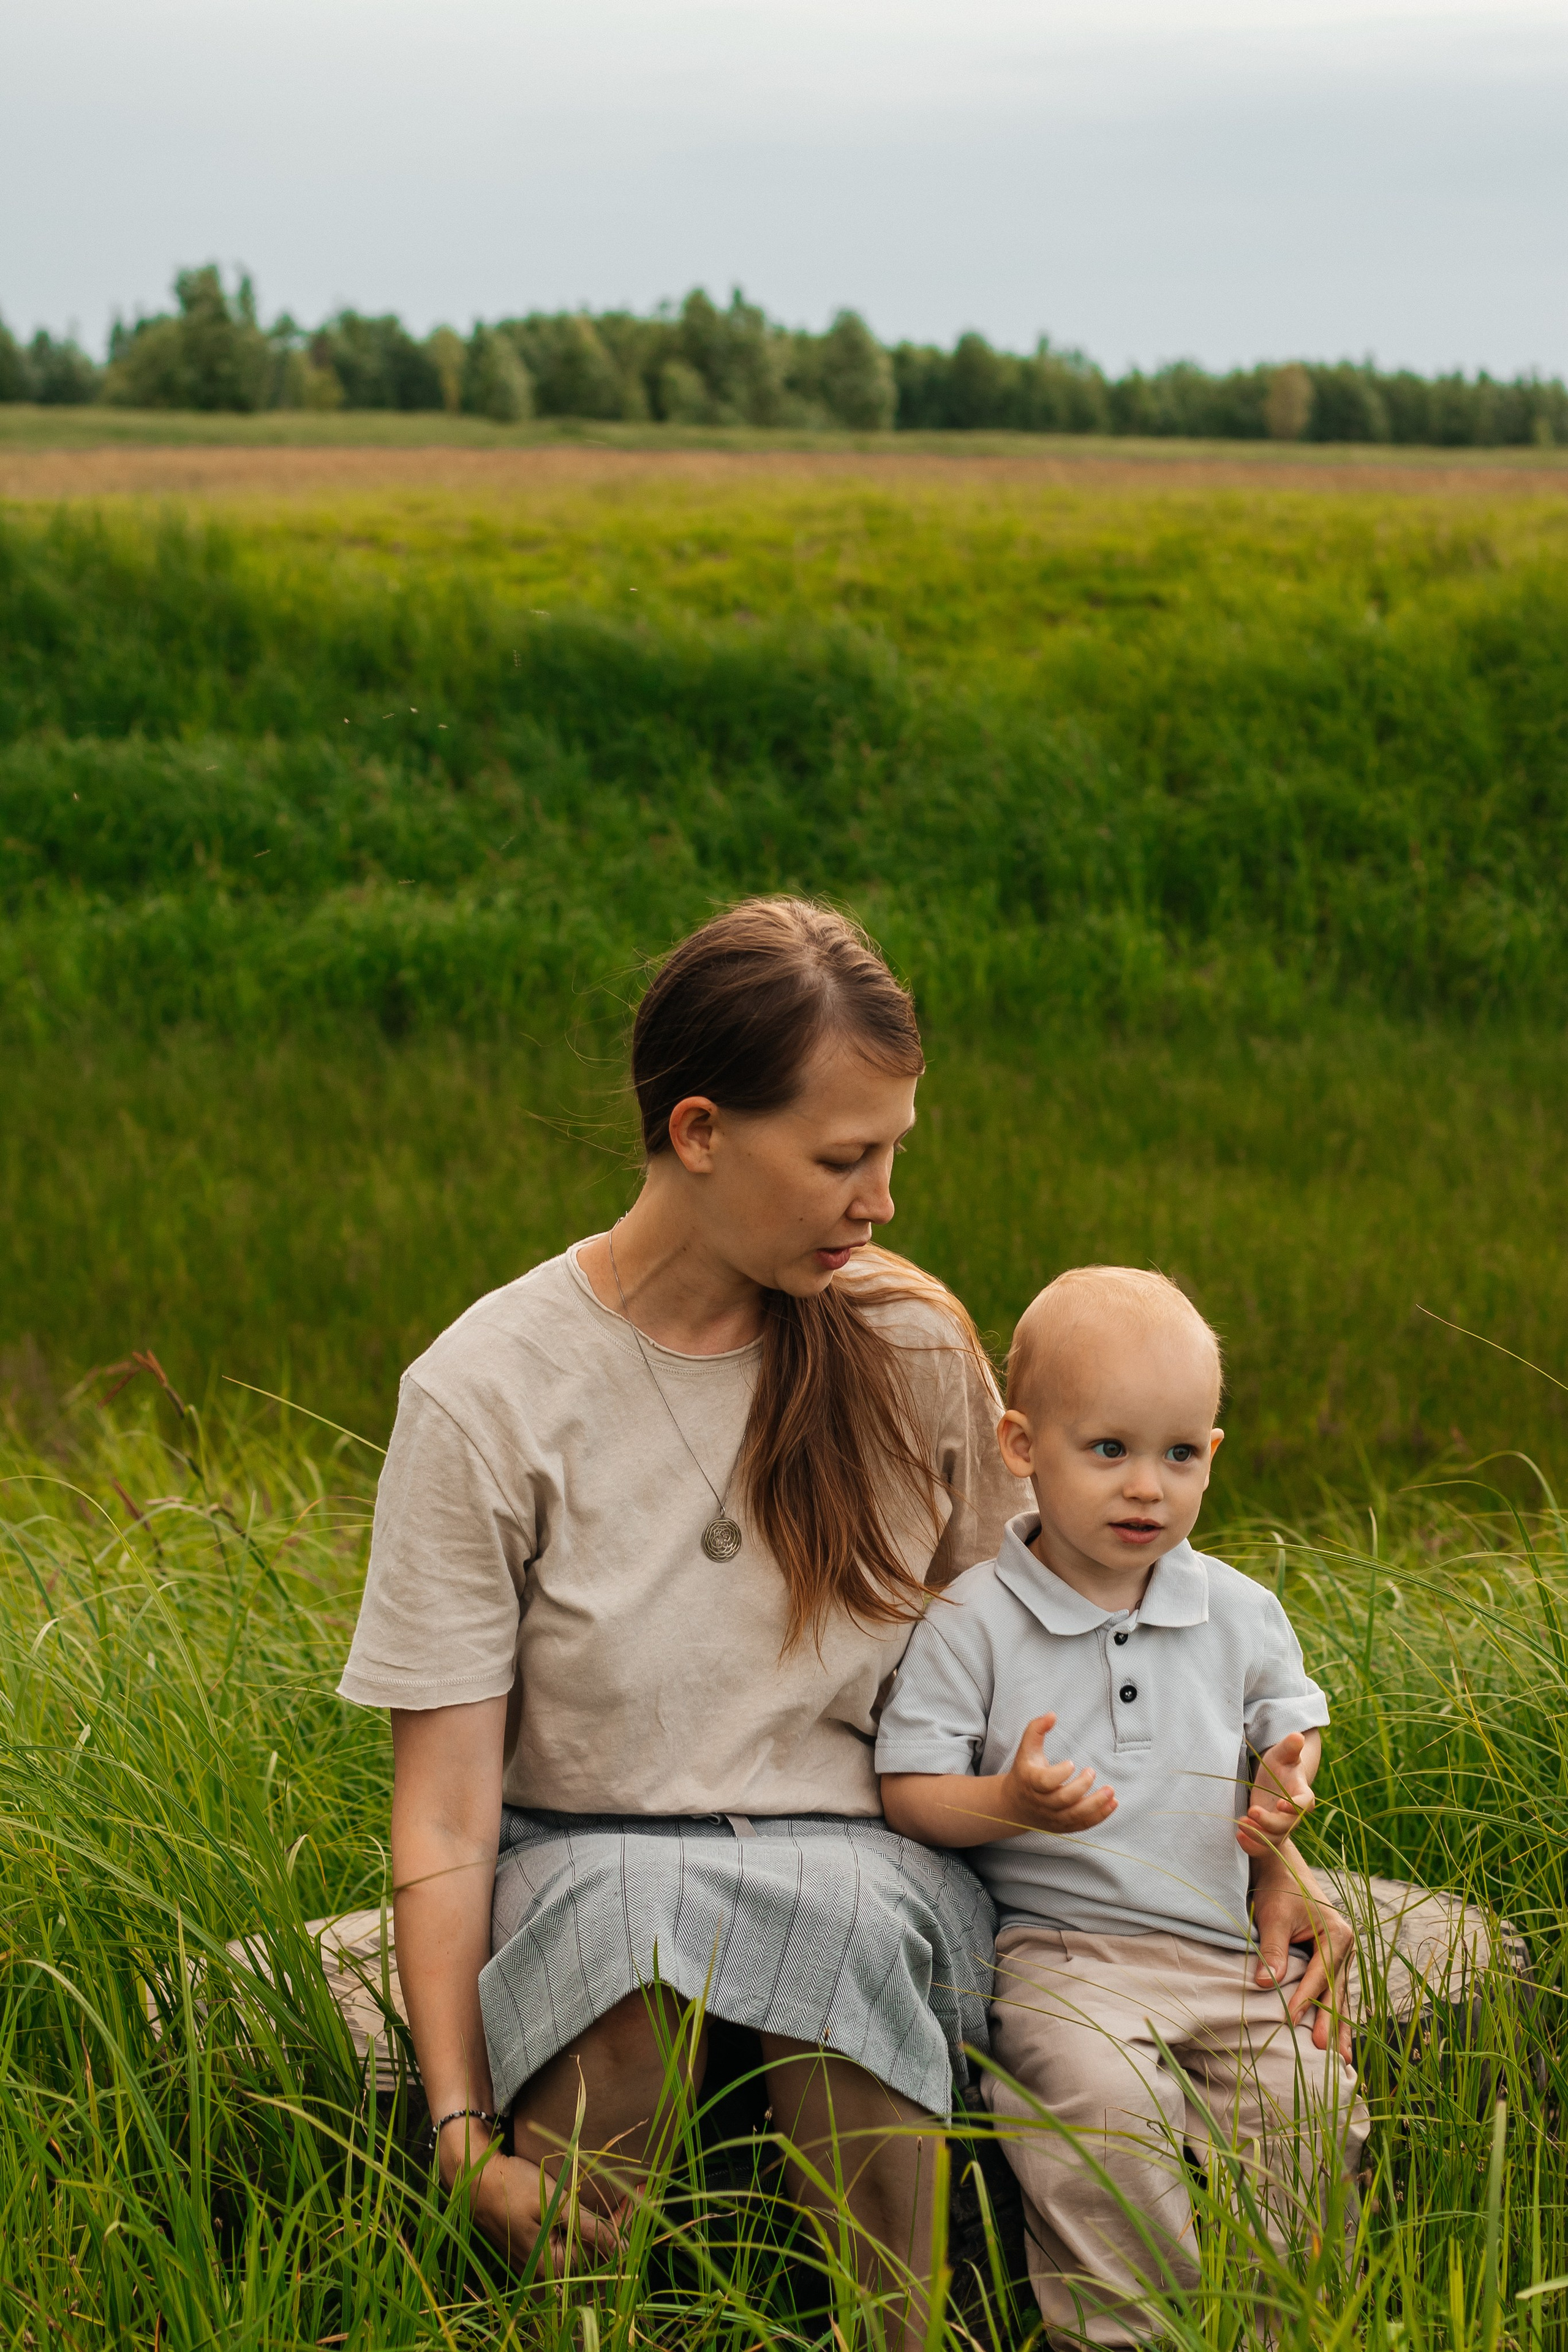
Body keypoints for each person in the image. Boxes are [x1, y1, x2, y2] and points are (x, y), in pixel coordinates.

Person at [337, 902, 1350, 2316]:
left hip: (874, 1857)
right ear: (697, 1132)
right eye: (839, 1159)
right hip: (591, 1855)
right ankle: (568, 2309)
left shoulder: (901, 1338)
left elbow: (1055, 1653)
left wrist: (1250, 1858)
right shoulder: (485, 1393)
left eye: (891, 1153)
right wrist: (458, 2136)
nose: (877, 1200)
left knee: (839, 1917)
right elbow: (445, 1814)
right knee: (640, 1927)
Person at [876, 1266, 1366, 2342]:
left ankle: (1282, 2326)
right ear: (1021, 1448)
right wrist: (1009, 1801)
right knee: (1098, 2110)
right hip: (1065, 1955)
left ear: (1212, 1453)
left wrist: (1290, 1777)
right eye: (1109, 1451)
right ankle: (1127, 2332)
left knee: (1313, 2109)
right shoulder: (976, 1620)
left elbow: (1288, 1719)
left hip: (1223, 1949)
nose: (1148, 1488)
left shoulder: (1236, 1609)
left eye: (1179, 1454)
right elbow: (909, 1792)